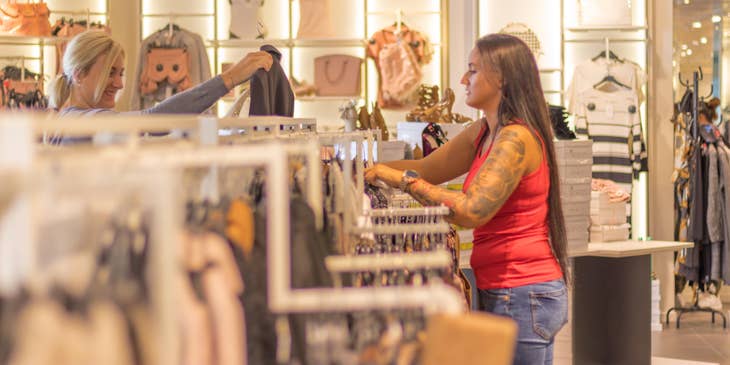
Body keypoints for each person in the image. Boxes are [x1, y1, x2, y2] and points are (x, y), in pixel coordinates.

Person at [365, 34, 569, 364]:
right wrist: (364, 168)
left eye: (472, 70)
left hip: (521, 291)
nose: (463, 80)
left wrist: (401, 180)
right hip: (508, 289)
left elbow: (471, 210)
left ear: (501, 77)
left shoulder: (515, 138)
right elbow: (427, 168)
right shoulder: (484, 132)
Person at [48, 30, 273, 116]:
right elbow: (152, 119)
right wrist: (230, 78)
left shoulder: (66, 116)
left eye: (121, 74)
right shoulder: (82, 120)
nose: (119, 84)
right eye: (110, 73)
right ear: (78, 74)